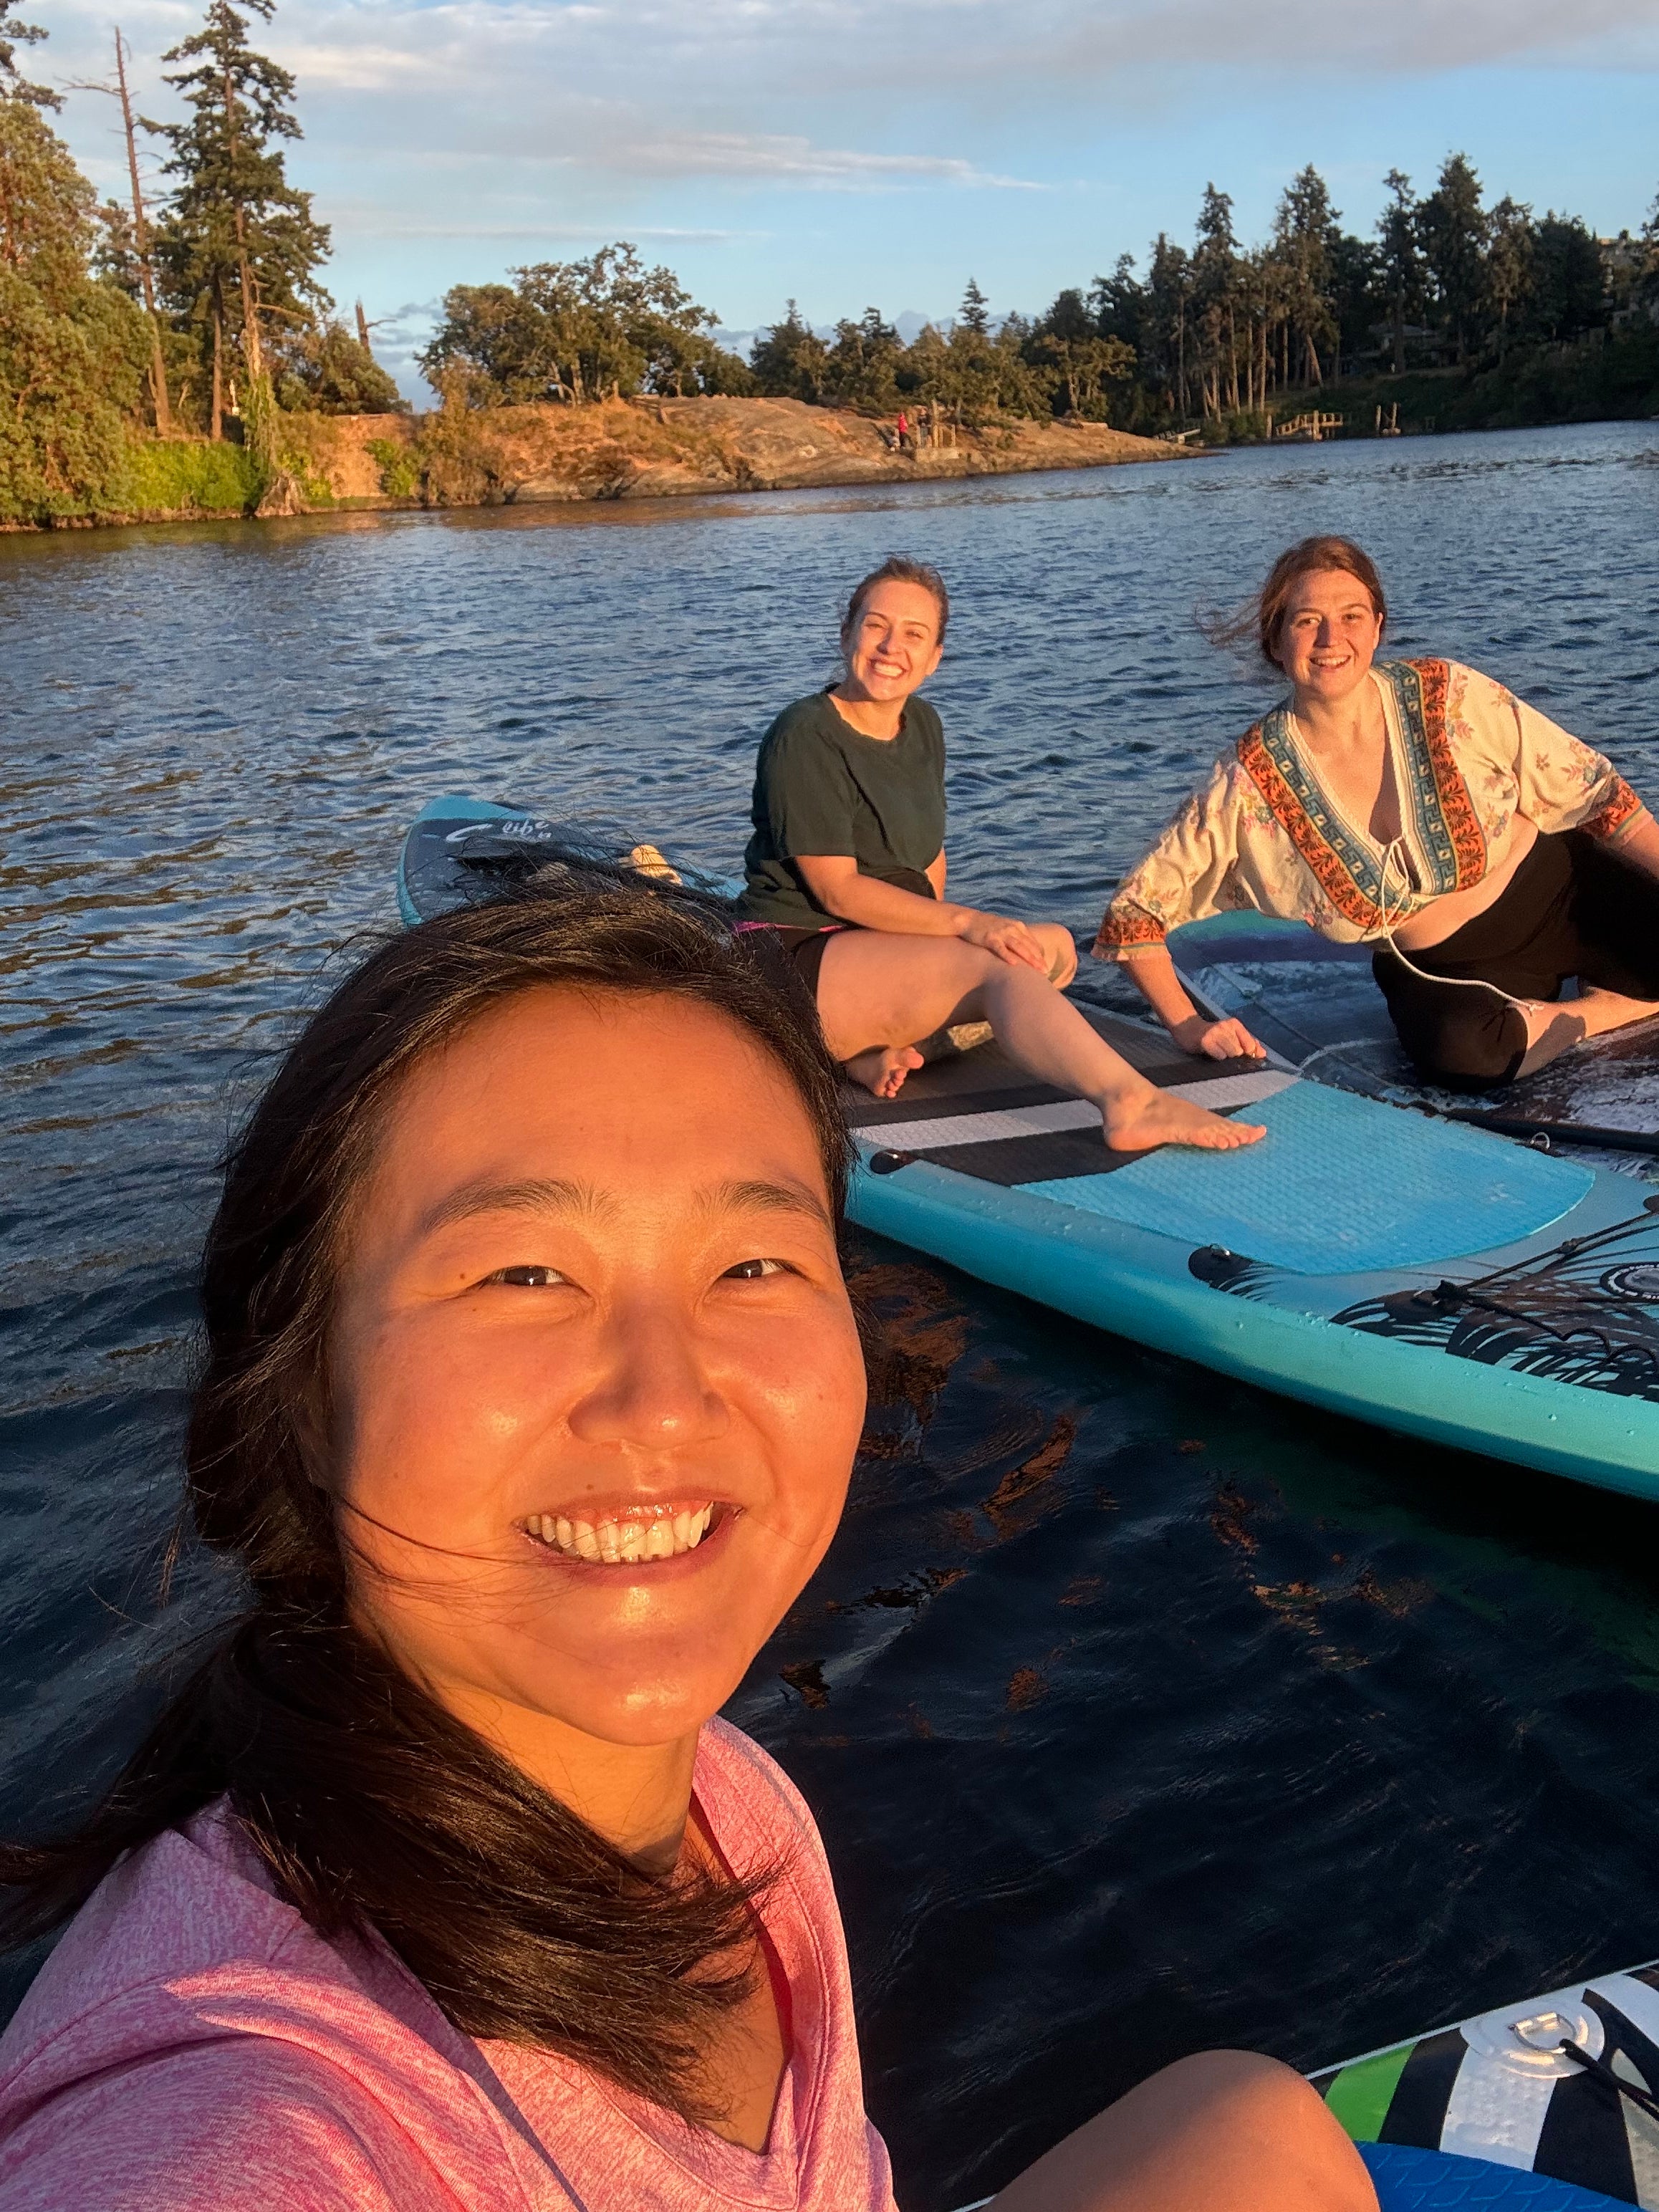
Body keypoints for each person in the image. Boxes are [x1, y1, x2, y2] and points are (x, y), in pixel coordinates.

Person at [0, 879, 1373, 2211]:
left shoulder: (731, 1798)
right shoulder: (247, 2097)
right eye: (524, 1273)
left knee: (1250, 2126)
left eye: (753, 1264)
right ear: (300, 1390)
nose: (663, 1399)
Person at [739, 554, 1263, 1155]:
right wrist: (967, 929)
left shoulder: (923, 725)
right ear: (847, 633)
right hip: (793, 956)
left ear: (935, 657)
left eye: (914, 634)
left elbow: (926, 863)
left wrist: (933, 955)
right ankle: (1129, 1102)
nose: (891, 647)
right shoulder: (805, 733)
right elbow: (837, 891)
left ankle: (859, 1054)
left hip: (867, 950)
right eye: (876, 626)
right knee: (1002, 968)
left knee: (1055, 950)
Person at [1095, 535, 1659, 1090]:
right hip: (1442, 968)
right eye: (1306, 620)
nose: (1331, 638)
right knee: (1463, 1057)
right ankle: (1604, 1010)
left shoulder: (1448, 692)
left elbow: (1595, 790)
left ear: (1378, 626)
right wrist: (1189, 1027)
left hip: (1567, 895)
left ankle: (1598, 991)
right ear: (1276, 642)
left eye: (1351, 616)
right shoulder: (1248, 783)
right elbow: (1135, 912)